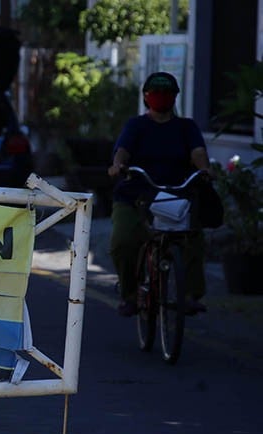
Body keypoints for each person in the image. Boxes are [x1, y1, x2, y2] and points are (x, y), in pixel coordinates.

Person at [107, 71, 211, 317]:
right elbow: (122, 151)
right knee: (122, 242)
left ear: (175, 97)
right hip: (136, 195)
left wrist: (205, 169)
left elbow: (198, 152)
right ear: (146, 96)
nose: (161, 96)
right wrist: (118, 165)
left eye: (167, 92)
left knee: (193, 238)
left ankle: (191, 295)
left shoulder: (186, 127)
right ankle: (130, 295)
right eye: (156, 92)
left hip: (176, 196)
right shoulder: (136, 125)